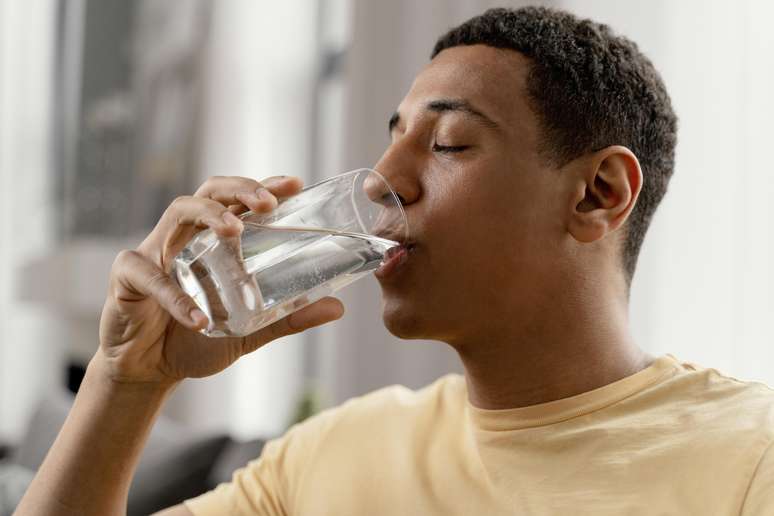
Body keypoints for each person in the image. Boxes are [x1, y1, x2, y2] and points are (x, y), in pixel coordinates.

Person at [15, 6, 774, 515]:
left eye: (446, 145)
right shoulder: (328, 458)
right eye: (392, 138)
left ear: (597, 195)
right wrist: (127, 380)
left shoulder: (749, 460)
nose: (385, 182)